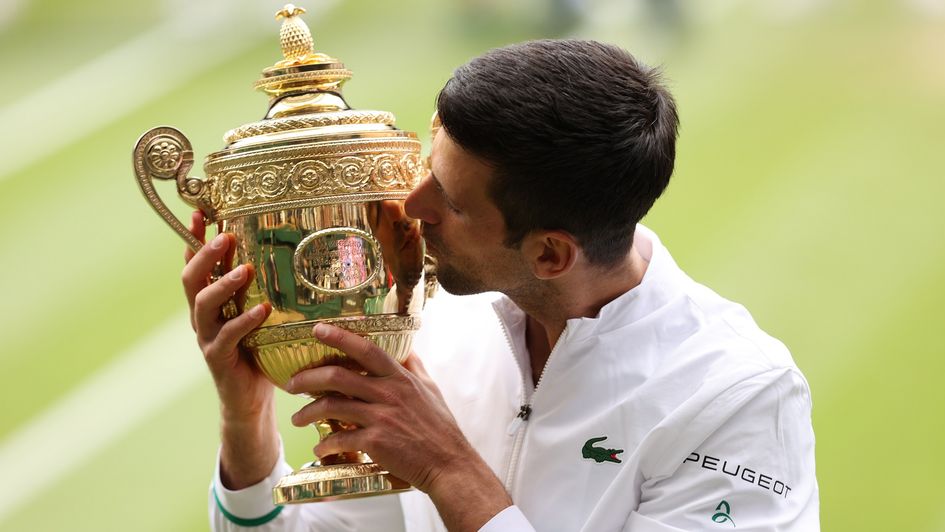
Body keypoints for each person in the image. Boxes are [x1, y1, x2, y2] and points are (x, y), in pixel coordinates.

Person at [182, 39, 819, 531]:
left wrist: (448, 471)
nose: (411, 206)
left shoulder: (736, 397)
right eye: (428, 168)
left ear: (549, 254)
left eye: (450, 201)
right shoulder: (429, 314)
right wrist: (247, 416)